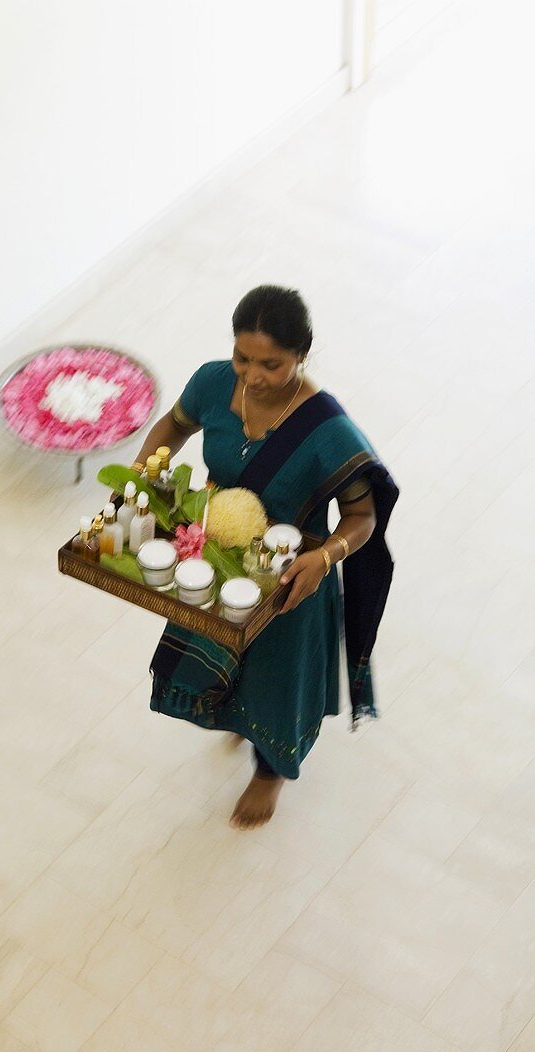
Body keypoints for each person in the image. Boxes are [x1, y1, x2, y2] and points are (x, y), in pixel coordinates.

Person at [128, 285, 398, 830]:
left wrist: (326, 558)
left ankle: (269, 773)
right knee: (219, 655)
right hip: (219, 555)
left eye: (271, 364)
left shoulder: (327, 430)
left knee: (275, 684)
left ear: (302, 354)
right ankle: (235, 714)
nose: (252, 375)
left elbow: (362, 518)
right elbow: (174, 426)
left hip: (290, 575)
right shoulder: (212, 381)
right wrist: (145, 471)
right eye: (242, 358)